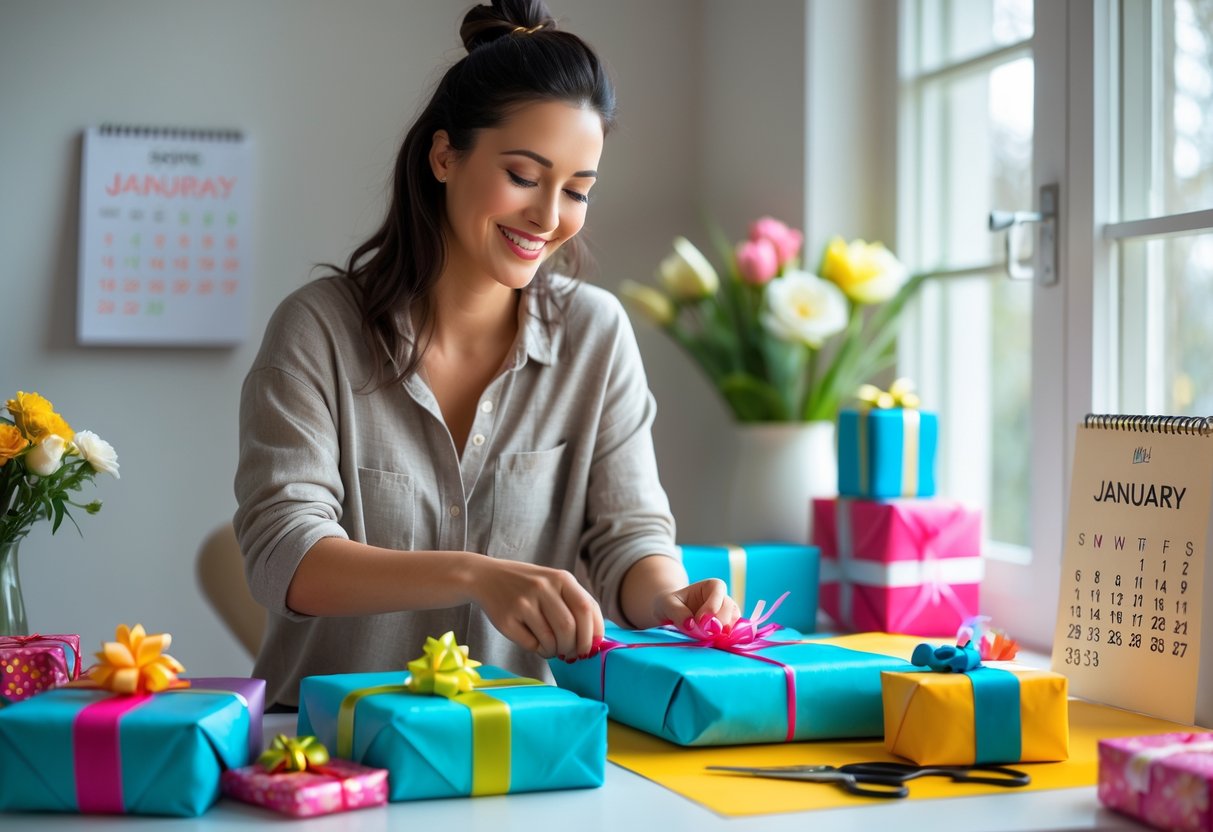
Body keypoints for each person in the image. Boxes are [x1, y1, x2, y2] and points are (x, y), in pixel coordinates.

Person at [234, 0, 738, 709]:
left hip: (521, 747)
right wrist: (475, 574)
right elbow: (283, 555)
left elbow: (629, 539)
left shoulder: (595, 335)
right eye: (524, 176)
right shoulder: (317, 330)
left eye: (577, 190)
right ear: (445, 156)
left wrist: (671, 599)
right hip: (330, 752)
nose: (548, 215)